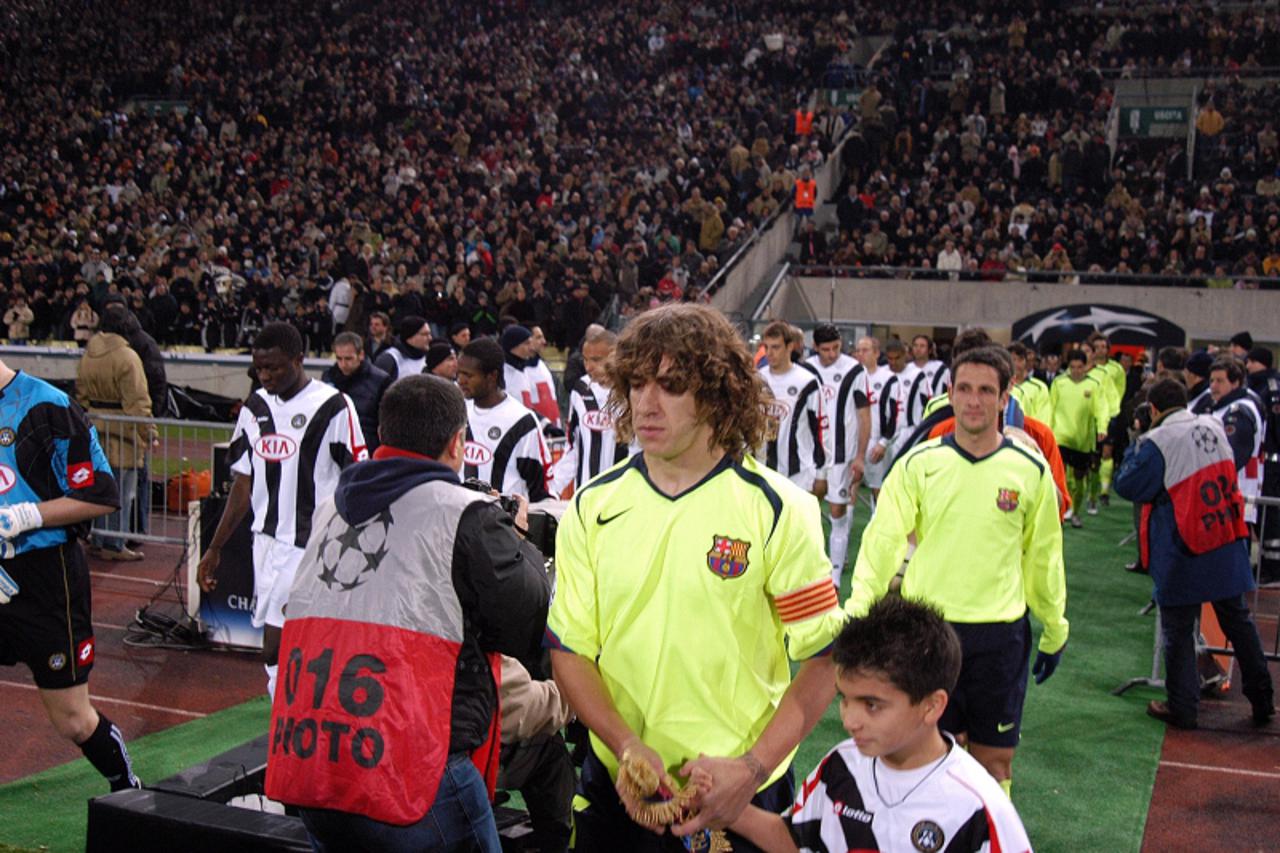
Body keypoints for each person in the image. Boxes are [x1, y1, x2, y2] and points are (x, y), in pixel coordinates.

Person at [547, 304, 845, 852]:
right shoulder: (593, 505)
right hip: (621, 787)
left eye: (671, 385)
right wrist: (625, 743)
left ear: (716, 393)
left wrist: (752, 769)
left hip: (741, 793)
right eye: (636, 383)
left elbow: (824, 659)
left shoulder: (780, 510)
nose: (645, 403)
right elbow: (570, 650)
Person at [265, 375, 551, 852]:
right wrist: (517, 536)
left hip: (315, 755)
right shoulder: (465, 513)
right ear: (458, 442)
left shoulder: (328, 508)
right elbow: (526, 621)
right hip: (410, 766)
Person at [848, 346, 1068, 794]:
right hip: (928, 635)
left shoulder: (1030, 470)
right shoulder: (919, 464)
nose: (973, 400)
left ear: (1005, 397)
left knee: (995, 763)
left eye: (986, 390)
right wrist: (860, 612)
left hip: (1000, 635)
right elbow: (882, 543)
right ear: (949, 392)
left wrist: (1055, 626)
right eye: (964, 389)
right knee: (921, 755)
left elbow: (1043, 556)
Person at [729, 597, 1032, 852]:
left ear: (932, 706)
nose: (850, 720)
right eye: (845, 699)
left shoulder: (978, 807)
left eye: (871, 705)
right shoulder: (841, 765)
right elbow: (795, 838)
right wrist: (720, 805)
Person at [197, 323, 368, 695]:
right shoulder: (254, 407)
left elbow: (356, 477)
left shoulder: (334, 406)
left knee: (278, 646)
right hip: (266, 545)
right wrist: (214, 547)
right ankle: (294, 726)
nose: (266, 376)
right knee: (283, 650)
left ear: (298, 360)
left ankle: (287, 728)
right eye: (260, 369)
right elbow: (243, 483)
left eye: (275, 367)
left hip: (312, 546)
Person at [0, 358, 139, 791]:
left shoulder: (46, 406)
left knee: (74, 720)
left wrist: (27, 515)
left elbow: (100, 494)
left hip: (46, 580)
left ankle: (127, 789)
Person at [1113, 379, 1274, 729]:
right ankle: (1263, 698)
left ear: (1153, 409)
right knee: (1240, 623)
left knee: (1178, 631)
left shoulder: (1159, 441)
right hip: (1225, 537)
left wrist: (1137, 437)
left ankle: (1183, 707)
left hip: (1183, 547)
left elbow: (1127, 483)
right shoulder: (1214, 424)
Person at [76, 304, 158, 561]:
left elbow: (81, 395)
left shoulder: (88, 354)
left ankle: (98, 538)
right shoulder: (127, 357)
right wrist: (149, 432)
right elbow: (137, 402)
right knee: (122, 491)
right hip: (123, 431)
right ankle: (114, 544)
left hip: (96, 428)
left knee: (99, 488)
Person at [807, 324, 870, 587]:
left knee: (837, 511)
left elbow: (864, 414)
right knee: (805, 512)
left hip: (842, 455)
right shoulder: (806, 370)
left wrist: (861, 455)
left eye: (836, 348)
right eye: (826, 349)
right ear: (815, 347)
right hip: (809, 454)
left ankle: (833, 580)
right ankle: (809, 571)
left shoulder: (855, 370)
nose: (832, 354)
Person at [456, 337, 551, 501]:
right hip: (461, 519)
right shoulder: (457, 412)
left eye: (468, 375)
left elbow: (539, 487)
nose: (460, 380)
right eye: (459, 373)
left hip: (504, 523)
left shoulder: (522, 421)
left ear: (492, 376)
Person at [550, 326, 633, 496]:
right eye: (585, 360)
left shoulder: (632, 391)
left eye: (596, 360)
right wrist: (553, 487)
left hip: (622, 493)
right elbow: (573, 446)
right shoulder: (580, 390)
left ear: (614, 355)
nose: (588, 367)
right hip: (586, 494)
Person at [758, 320, 825, 493]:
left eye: (776, 347)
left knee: (796, 520)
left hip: (798, 472)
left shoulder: (807, 381)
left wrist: (822, 473)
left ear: (790, 347)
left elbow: (821, 428)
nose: (770, 353)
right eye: (767, 347)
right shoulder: (757, 380)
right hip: (763, 469)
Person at [1050, 349, 1107, 528]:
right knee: (1060, 477)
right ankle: (1059, 512)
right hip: (1060, 437)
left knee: (1080, 479)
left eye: (1080, 367)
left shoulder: (1094, 385)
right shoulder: (1058, 383)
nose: (1076, 370)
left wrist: (1102, 427)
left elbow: (1101, 407)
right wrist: (1047, 432)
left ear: (1085, 367)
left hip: (1082, 440)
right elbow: (1050, 408)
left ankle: (1075, 511)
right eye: (1072, 367)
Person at [1205, 358, 1266, 525]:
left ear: (1235, 383)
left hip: (1237, 491)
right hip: (1230, 492)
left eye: (1220, 381)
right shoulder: (1224, 407)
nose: (1213, 386)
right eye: (1211, 380)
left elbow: (1233, 455)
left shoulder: (1238, 411)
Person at [321, 331, 393, 453]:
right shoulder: (328, 377)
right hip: (334, 446)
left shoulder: (381, 380)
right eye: (339, 358)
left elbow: (388, 421)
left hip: (367, 448)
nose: (343, 364)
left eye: (348, 358)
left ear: (361, 355)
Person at [1246, 347, 1280, 585]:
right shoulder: (1264, 385)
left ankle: (1273, 568)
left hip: (1271, 461)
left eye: (1250, 361)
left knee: (1270, 516)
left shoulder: (1269, 388)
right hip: (1266, 459)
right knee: (1265, 515)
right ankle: (1268, 564)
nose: (1247, 366)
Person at [1086, 332, 1125, 513]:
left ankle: (1104, 491)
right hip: (1089, 419)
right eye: (1097, 347)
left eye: (1104, 346)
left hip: (1110, 417)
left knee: (1107, 453)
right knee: (1092, 458)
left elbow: (1119, 392)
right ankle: (1091, 493)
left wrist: (1111, 413)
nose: (1101, 350)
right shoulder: (1085, 371)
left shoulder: (1116, 369)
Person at [373, 314, 431, 381]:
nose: (430, 338)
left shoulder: (429, 357)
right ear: (410, 337)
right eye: (425, 334)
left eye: (429, 334)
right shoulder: (389, 359)